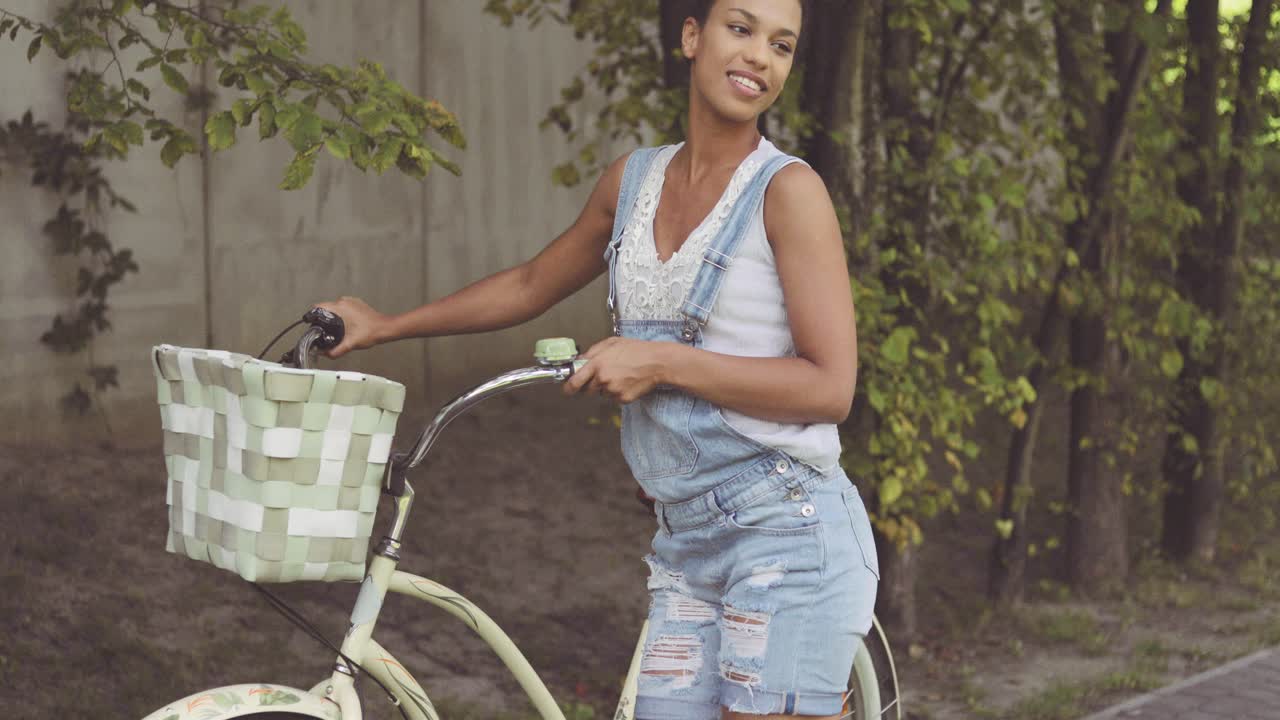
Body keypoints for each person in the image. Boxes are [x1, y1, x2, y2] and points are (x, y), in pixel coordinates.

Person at [317, 1, 878, 717]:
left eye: (782, 45)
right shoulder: (632, 183)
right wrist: (386, 325)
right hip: (687, 542)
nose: (760, 58)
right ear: (690, 36)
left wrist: (663, 363)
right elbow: (528, 285)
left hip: (788, 533)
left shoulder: (788, 193)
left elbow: (832, 388)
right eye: (741, 29)